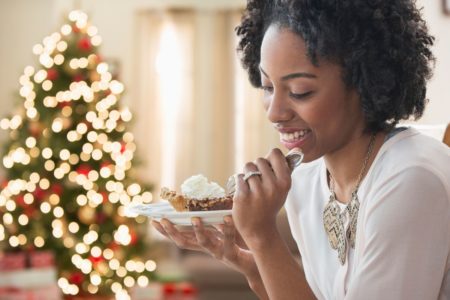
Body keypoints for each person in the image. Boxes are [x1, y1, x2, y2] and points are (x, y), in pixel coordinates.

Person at [152, 0, 450, 299]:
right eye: (268, 87)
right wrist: (248, 262)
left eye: (299, 92)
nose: (274, 112)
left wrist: (263, 236)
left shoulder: (412, 180)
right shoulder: (306, 183)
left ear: (364, 82)